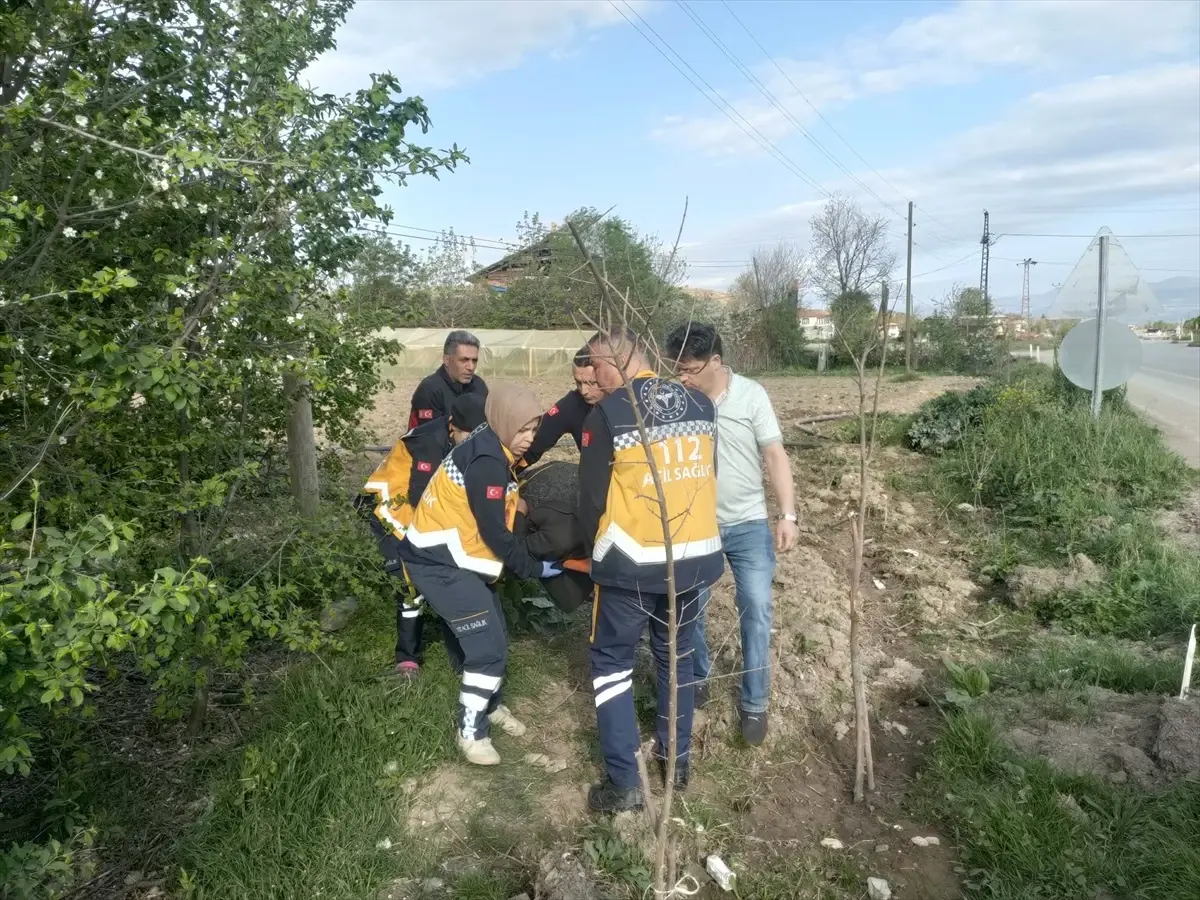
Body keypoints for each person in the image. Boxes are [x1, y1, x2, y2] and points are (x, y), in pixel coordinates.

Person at [577, 325, 724, 813]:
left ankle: (624, 783)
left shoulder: (608, 414)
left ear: (615, 360)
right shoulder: (701, 405)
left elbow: (591, 501)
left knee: (612, 663)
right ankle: (676, 763)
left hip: (632, 563)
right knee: (676, 658)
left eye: (594, 364)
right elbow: (709, 474)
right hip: (694, 559)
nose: (591, 376)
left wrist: (589, 555)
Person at [398, 382, 562, 766]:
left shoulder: (490, 441)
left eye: (533, 429)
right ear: (503, 421)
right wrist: (533, 568)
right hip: (438, 563)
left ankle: (489, 704)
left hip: (456, 558)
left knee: (496, 632)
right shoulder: (487, 461)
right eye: (522, 429)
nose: (528, 438)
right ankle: (470, 731)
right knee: (487, 648)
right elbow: (495, 533)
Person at [664, 322, 798, 746]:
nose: (682, 377)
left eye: (689, 369)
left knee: (756, 606)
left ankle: (755, 702)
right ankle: (699, 676)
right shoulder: (679, 401)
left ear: (716, 362)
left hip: (748, 524)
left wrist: (787, 514)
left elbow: (774, 454)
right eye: (677, 369)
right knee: (691, 606)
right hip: (697, 524)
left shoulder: (751, 395)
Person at [355, 394, 487, 679]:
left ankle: (464, 653)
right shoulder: (430, 442)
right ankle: (407, 659)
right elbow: (419, 497)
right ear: (452, 426)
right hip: (392, 506)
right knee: (409, 580)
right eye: (468, 436)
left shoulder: (470, 437)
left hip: (424, 504)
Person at [520, 346, 604, 466]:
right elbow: (537, 441)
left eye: (591, 383)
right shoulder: (573, 405)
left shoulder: (627, 403)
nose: (584, 391)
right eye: (578, 382)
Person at [408, 330, 488, 430]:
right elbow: (428, 435)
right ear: (446, 360)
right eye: (464, 360)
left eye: (474, 360)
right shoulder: (429, 391)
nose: (471, 367)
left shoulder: (479, 386)